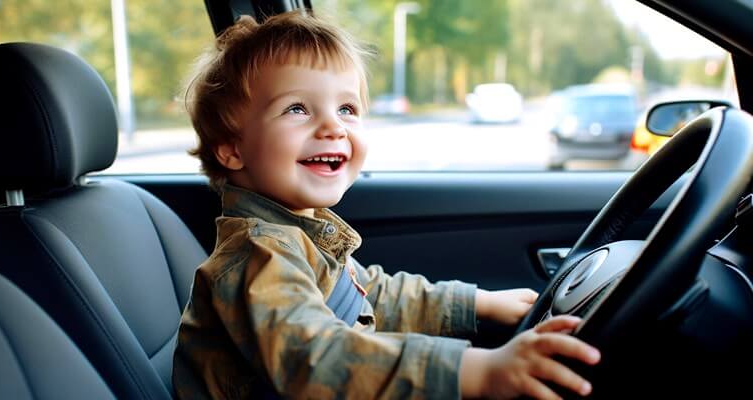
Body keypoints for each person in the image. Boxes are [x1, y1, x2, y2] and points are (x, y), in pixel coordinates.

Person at [173, 10, 600, 400]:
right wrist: (478, 371)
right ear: (232, 149)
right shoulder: (258, 257)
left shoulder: (303, 234)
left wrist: (477, 304)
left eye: (346, 108)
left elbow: (374, 294)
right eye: (298, 109)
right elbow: (316, 359)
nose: (333, 127)